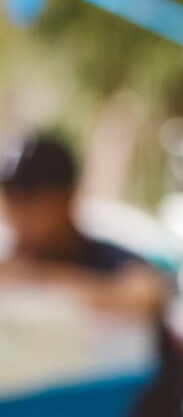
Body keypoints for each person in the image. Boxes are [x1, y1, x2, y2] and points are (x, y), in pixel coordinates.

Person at [0, 134, 165, 321]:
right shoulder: (7, 260)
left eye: (29, 201)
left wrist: (36, 279)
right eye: (11, 200)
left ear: (66, 198)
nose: (18, 215)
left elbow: (148, 296)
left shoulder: (107, 259)